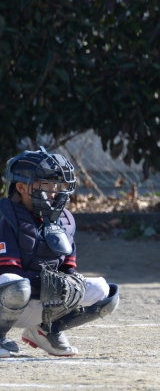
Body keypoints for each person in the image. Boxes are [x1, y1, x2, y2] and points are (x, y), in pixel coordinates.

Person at [0, 147, 119, 358]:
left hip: (38, 301)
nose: (53, 190)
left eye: (55, 184)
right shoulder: (5, 217)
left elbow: (68, 269)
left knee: (104, 292)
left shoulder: (64, 220)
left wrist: (69, 283)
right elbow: (8, 272)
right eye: (45, 183)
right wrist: (50, 283)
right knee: (15, 284)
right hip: (8, 297)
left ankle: (47, 329)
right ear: (21, 187)